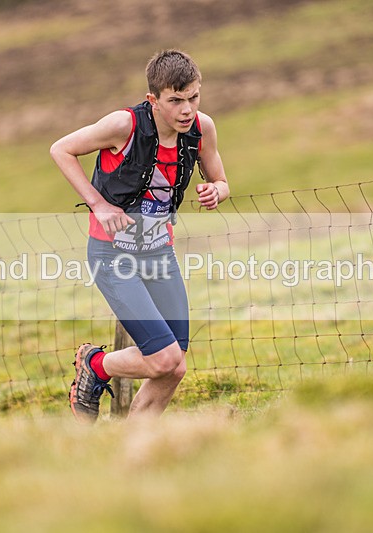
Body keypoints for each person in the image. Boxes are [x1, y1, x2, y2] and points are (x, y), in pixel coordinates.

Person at [50, 49, 229, 422]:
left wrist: (217, 191)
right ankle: (96, 365)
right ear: (154, 100)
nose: (186, 109)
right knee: (164, 358)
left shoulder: (202, 128)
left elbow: (221, 180)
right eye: (175, 101)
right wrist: (98, 205)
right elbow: (61, 149)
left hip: (159, 254)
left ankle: (135, 447)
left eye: (193, 97)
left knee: (174, 366)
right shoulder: (123, 125)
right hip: (113, 256)